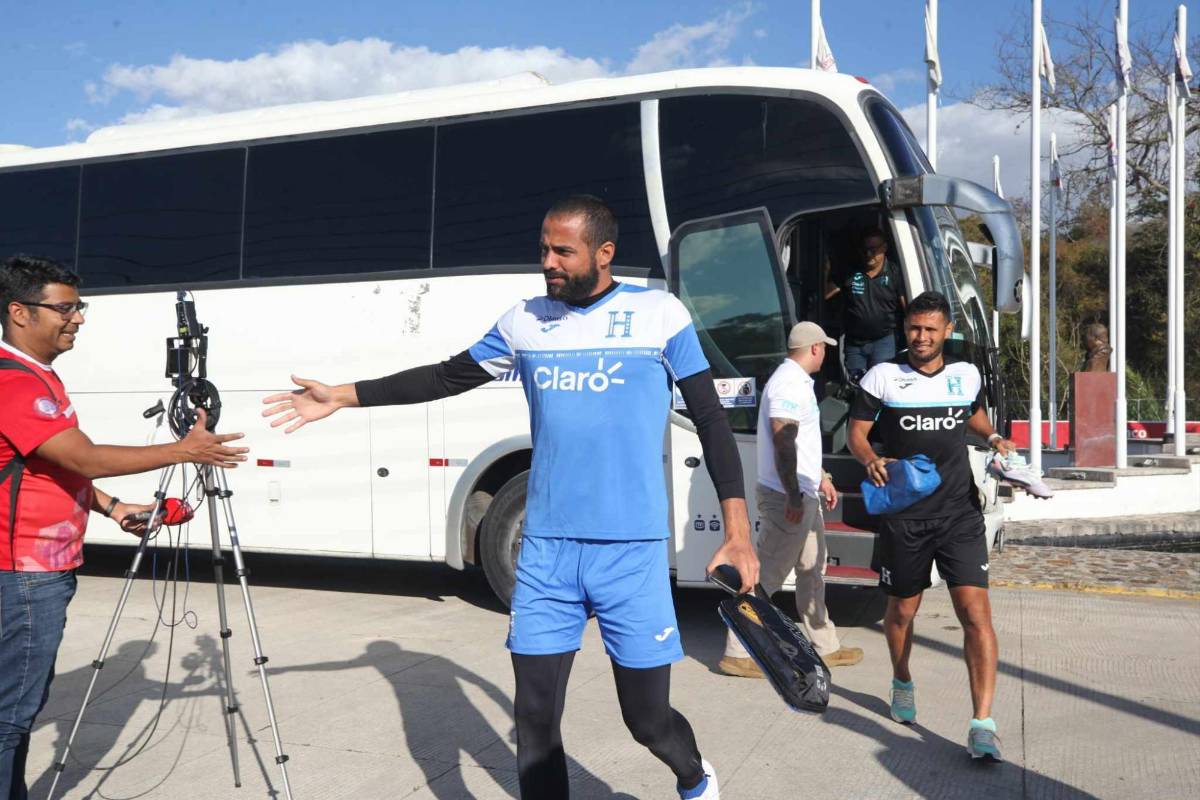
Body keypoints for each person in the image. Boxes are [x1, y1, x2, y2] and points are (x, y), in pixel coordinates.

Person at [262, 195, 759, 800]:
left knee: (646, 720)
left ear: (604, 254)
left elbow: (710, 419)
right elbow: (447, 376)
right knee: (535, 720)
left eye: (562, 251)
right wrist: (345, 394)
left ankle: (695, 777)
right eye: (543, 249)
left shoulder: (658, 314)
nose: (548, 262)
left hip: (631, 551)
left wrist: (737, 533)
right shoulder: (524, 321)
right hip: (546, 548)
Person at [0, 255, 249, 798]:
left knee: (15, 708)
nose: (78, 318)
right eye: (65, 308)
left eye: (79, 307)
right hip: (22, 573)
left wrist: (113, 508)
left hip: (35, 568)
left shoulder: (37, 376)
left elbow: (53, 468)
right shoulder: (14, 383)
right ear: (20, 312)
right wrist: (182, 450)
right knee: (11, 713)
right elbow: (83, 457)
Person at [846, 290, 1015, 762]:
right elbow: (856, 432)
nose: (920, 338)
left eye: (930, 330)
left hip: (959, 514)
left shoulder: (965, 375)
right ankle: (902, 678)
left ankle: (982, 723)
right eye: (914, 329)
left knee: (976, 617)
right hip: (905, 516)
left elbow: (973, 415)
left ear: (946, 331)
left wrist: (995, 436)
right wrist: (870, 457)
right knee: (901, 613)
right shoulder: (884, 376)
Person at [718, 321, 864, 679]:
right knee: (765, 574)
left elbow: (801, 445)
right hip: (789, 495)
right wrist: (794, 494)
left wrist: (821, 478)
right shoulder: (788, 383)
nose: (825, 354)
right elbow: (784, 440)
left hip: (801, 490)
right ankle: (738, 651)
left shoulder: (796, 382)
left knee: (813, 569)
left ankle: (825, 645)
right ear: (815, 348)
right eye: (824, 348)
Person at [825, 228, 905, 382]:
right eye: (865, 250)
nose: (868, 254)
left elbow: (908, 308)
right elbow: (825, 294)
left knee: (881, 384)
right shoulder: (851, 272)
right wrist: (825, 270)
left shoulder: (895, 273)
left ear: (884, 248)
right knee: (855, 386)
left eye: (873, 250)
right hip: (854, 343)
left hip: (884, 341)